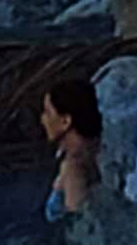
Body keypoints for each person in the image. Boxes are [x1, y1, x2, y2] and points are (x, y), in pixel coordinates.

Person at [39, 73, 98, 233]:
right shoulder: (93, 149)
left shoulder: (73, 169)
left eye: (47, 113)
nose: (42, 119)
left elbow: (81, 227)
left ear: (65, 121)